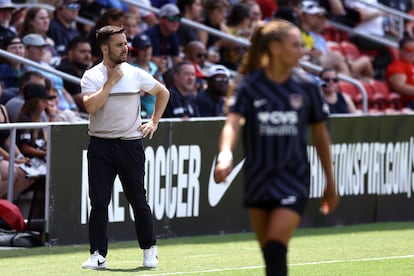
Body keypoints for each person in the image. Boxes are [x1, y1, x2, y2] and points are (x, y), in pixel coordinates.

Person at [213, 20, 339, 276]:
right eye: (295, 45)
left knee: (275, 246)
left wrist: (330, 181)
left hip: (293, 178)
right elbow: (232, 124)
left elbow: (320, 135)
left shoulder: (307, 87)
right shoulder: (249, 86)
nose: (301, 51)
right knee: (271, 257)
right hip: (258, 178)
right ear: (275, 47)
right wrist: (225, 156)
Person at [80, 25, 169, 270]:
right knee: (98, 202)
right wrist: (110, 83)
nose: (125, 48)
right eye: (119, 44)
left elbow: (163, 92)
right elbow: (91, 107)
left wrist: (153, 121)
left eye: (125, 42)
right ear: (105, 48)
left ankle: (149, 249)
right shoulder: (92, 76)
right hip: (100, 146)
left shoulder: (135, 73)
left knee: (138, 200)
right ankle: (97, 254)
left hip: (130, 145)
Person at [56, 36, 92, 113]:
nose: (87, 56)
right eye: (83, 52)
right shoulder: (65, 70)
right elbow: (81, 99)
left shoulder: (83, 69)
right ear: (71, 54)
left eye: (89, 52)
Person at [144, 3, 182, 69]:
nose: (175, 22)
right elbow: (154, 63)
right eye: (172, 18)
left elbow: (177, 60)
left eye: (178, 19)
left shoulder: (172, 34)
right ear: (161, 19)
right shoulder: (152, 34)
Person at [386, 36, 414, 110]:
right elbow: (400, 87)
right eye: (410, 50)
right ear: (400, 51)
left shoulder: (411, 65)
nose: (412, 53)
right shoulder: (397, 66)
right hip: (408, 104)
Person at [0, 35, 26, 104]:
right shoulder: (1, 70)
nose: (18, 51)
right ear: (5, 51)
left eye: (20, 47)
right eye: (13, 48)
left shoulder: (27, 71)